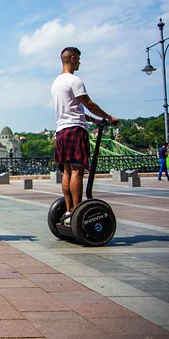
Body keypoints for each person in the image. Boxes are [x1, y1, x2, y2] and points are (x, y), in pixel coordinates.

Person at [51, 47, 119, 224]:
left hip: (61, 131)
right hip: (75, 131)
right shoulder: (75, 81)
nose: (80, 62)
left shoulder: (56, 83)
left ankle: (68, 211)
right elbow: (88, 103)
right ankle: (77, 212)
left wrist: (95, 121)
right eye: (79, 59)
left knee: (66, 171)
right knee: (77, 171)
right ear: (72, 58)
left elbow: (74, 108)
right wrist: (108, 117)